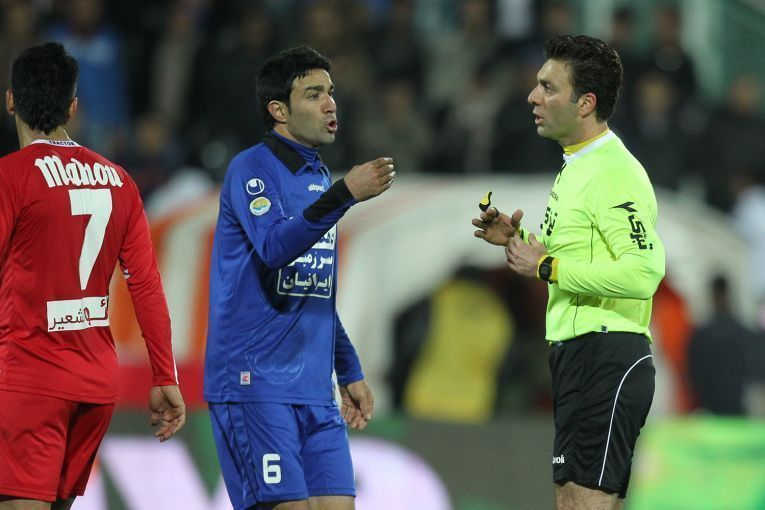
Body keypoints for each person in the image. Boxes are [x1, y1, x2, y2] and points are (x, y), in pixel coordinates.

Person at [472, 35, 665, 509]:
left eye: (548, 87)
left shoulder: (613, 172)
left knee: (583, 501)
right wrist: (520, 243)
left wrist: (547, 265)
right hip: (579, 355)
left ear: (586, 103)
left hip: (607, 355)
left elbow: (643, 272)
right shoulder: (577, 166)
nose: (532, 97)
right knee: (572, 501)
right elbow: (579, 255)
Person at [204, 45, 394, 510]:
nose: (330, 104)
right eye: (313, 94)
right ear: (279, 111)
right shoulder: (251, 169)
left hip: (313, 388)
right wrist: (344, 194)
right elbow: (274, 248)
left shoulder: (317, 175)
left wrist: (348, 368)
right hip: (256, 384)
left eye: (330, 92)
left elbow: (312, 287)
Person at [0, 43, 185, 510]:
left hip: (28, 379)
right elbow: (145, 284)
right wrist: (164, 373)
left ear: (11, 101)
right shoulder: (119, 180)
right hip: (94, 387)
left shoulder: (11, 177)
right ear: (72, 107)